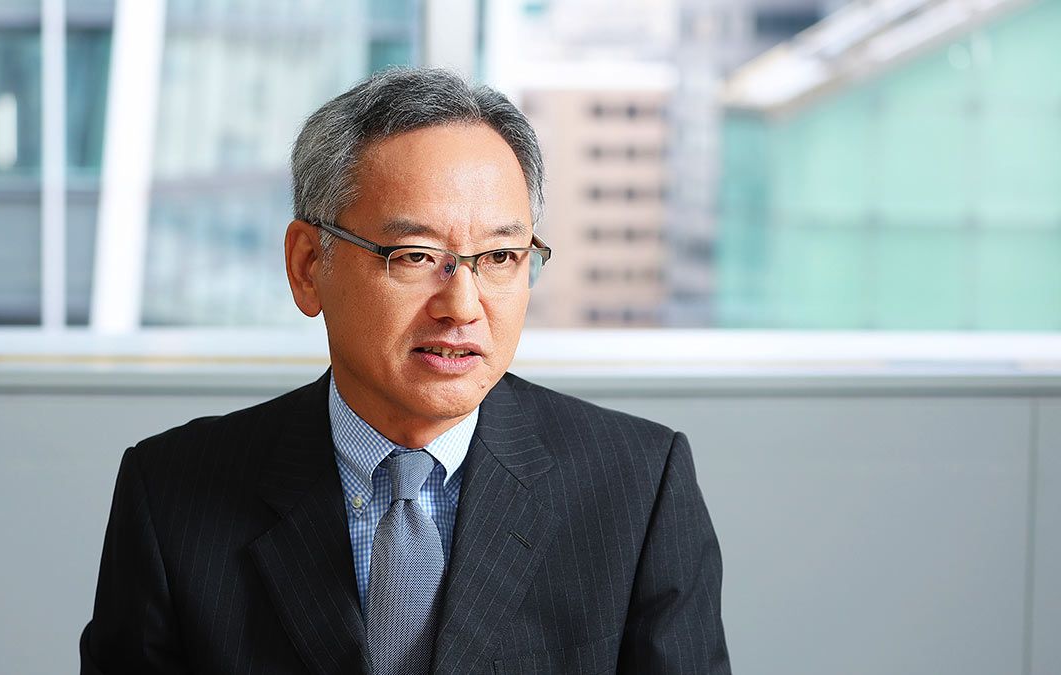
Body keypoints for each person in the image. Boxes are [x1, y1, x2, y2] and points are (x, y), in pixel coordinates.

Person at [80, 67, 730, 675]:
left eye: (500, 256)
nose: (462, 306)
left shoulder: (639, 488)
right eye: (416, 256)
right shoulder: (170, 495)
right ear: (308, 266)